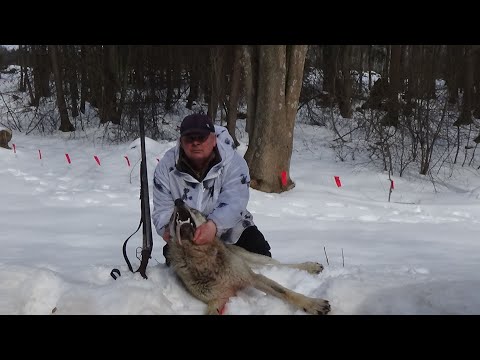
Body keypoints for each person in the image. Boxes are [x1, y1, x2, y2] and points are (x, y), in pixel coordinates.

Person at [152, 113, 271, 265]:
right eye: (189, 138)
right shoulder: (166, 168)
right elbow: (162, 208)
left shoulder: (234, 163)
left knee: (263, 261)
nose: (195, 143)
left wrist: (214, 225)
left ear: (213, 140)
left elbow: (235, 202)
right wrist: (167, 230)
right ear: (181, 141)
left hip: (233, 230)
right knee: (182, 276)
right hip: (187, 235)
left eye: (201, 137)